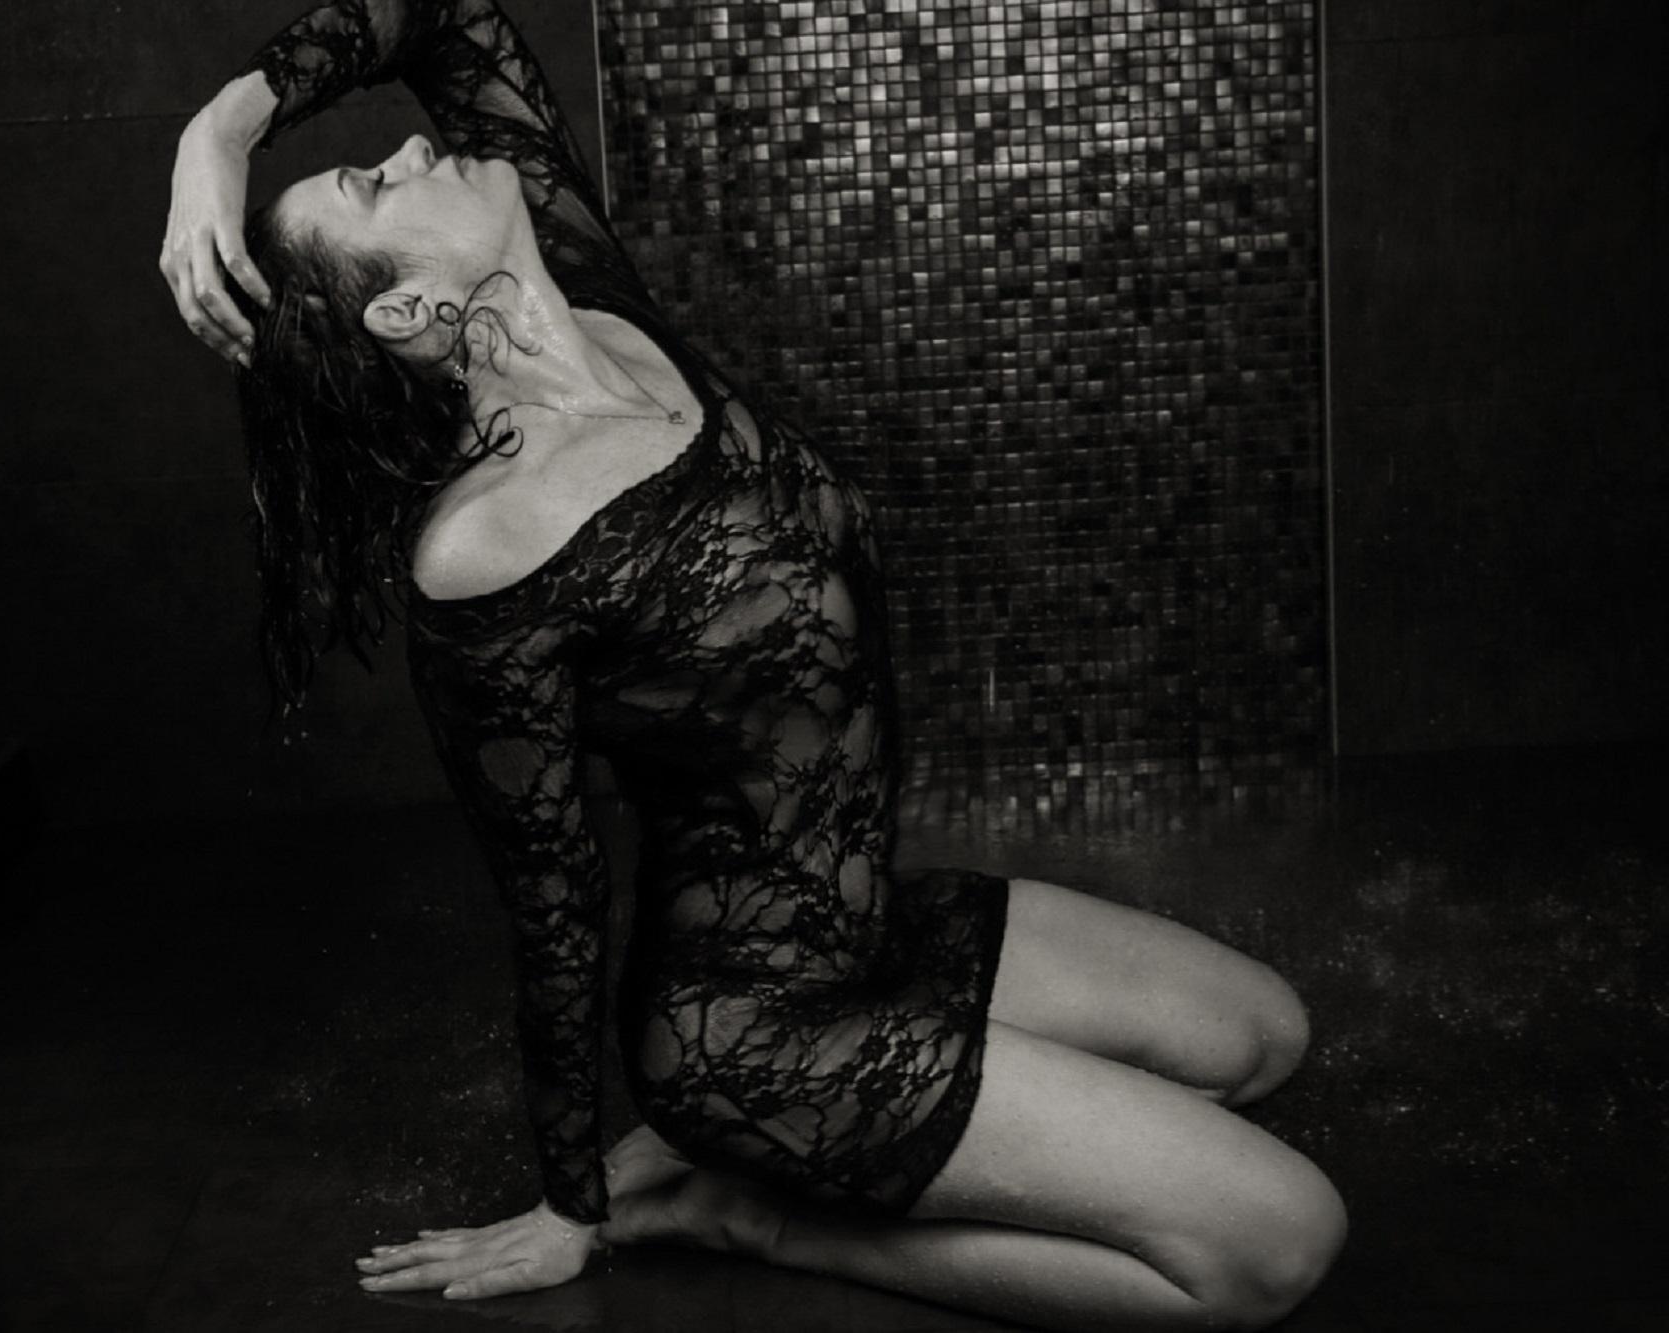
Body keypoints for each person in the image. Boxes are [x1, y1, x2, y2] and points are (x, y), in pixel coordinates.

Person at [160, 3, 1346, 1327]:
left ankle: (846, 1143)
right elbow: (554, 906)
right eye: (375, 188)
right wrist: (570, 1201)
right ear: (408, 309)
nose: (409, 151)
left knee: (1260, 1041)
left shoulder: (592, 292)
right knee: (1275, 1248)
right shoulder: (484, 549)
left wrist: (225, 129)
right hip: (751, 1028)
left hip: (870, 927)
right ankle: (748, 1208)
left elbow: (447, 19)